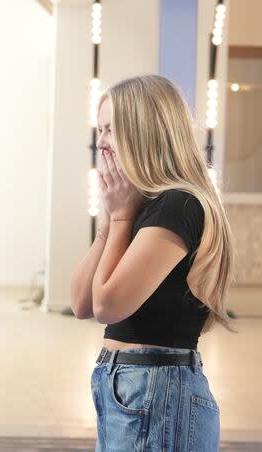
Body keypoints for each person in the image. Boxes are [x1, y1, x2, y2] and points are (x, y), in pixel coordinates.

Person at [70, 75, 233, 451]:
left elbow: (107, 306)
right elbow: (80, 302)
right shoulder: (139, 206)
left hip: (158, 391)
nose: (101, 141)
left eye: (111, 129)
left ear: (143, 131)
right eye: (100, 129)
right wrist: (113, 219)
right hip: (126, 387)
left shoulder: (180, 204)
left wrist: (122, 218)